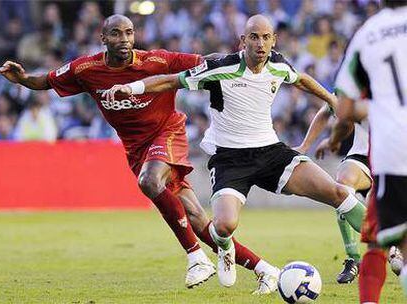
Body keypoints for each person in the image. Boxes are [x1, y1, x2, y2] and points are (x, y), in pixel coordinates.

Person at [0, 15, 279, 293]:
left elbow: (206, 60)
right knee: (195, 216)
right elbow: (46, 80)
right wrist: (22, 79)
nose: (124, 40)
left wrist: (241, 57)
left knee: (149, 181)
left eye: (129, 33)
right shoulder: (86, 69)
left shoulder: (156, 61)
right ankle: (265, 270)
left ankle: (195, 257)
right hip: (136, 149)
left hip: (168, 132)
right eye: (117, 34)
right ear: (103, 38)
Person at [105, 14, 366, 287]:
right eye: (254, 37)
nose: (260, 43)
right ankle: (225, 249)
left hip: (271, 152)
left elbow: (301, 79)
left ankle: (391, 246)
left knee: (338, 193)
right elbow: (172, 81)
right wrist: (131, 86)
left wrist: (331, 99)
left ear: (274, 40)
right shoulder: (221, 68)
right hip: (230, 159)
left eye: (266, 37)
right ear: (243, 41)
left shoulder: (277, 63)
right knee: (223, 226)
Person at [333, 1, 407, 302]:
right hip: (382, 152)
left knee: (380, 242)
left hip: (394, 151)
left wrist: (335, 137)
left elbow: (345, 106)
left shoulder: (369, 34)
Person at [296, 101, 403, 284]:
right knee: (342, 186)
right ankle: (354, 259)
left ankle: (393, 245)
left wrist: (332, 141)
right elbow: (327, 108)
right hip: (363, 155)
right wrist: (305, 146)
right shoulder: (356, 78)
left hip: (397, 160)